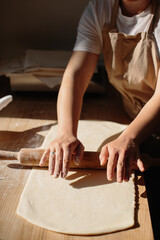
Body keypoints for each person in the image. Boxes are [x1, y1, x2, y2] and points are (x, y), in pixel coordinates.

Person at [39, 0, 160, 183]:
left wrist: (128, 137)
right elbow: (76, 75)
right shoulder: (100, 8)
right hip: (133, 119)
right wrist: (65, 132)